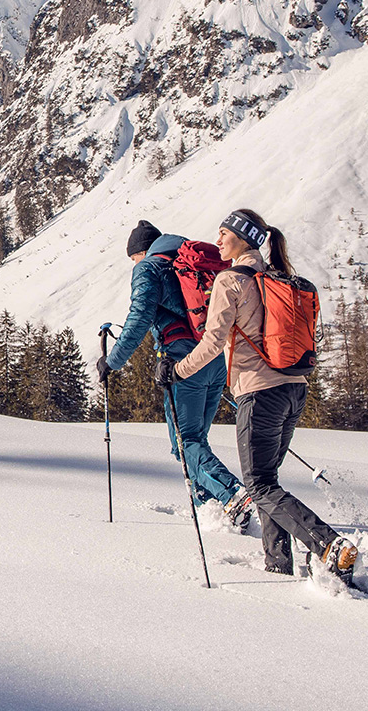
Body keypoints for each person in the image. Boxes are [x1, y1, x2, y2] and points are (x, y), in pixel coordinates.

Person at [171, 209, 357, 580]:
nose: (218, 240)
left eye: (224, 233)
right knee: (267, 479)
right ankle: (278, 564)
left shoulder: (231, 281)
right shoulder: (277, 277)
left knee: (258, 484)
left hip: (260, 393)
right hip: (294, 390)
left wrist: (176, 370)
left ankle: (328, 545)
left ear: (242, 238)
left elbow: (213, 341)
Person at [95, 219, 252, 531]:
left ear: (141, 252)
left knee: (185, 443)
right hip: (214, 359)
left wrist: (111, 362)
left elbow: (139, 318)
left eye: (133, 258)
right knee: (195, 441)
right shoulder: (188, 262)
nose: (133, 264)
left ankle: (231, 494)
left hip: (182, 365)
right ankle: (212, 509)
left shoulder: (149, 268)